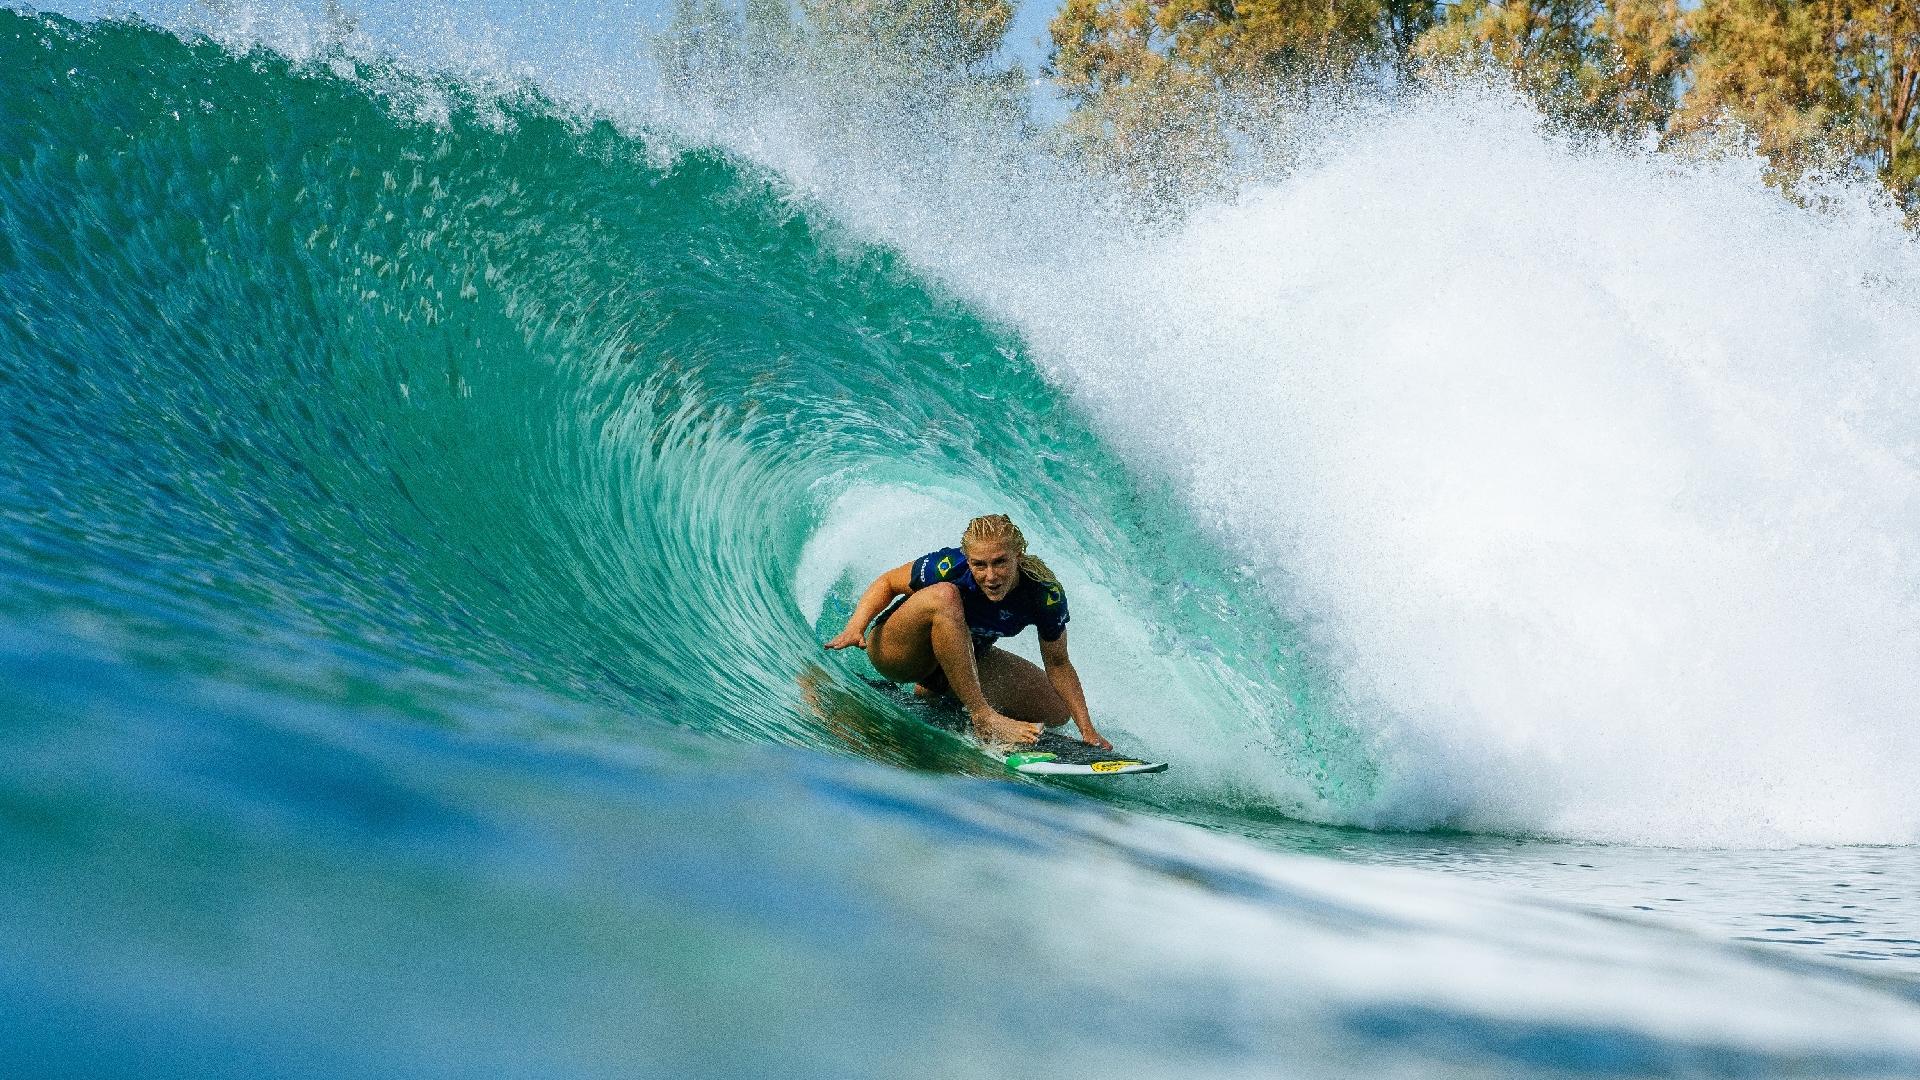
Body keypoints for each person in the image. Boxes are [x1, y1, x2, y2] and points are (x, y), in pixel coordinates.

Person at [823, 514, 1111, 750]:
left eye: (1000, 562)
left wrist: (1087, 730)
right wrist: (855, 627)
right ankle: (982, 715)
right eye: (979, 564)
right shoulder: (950, 565)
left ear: (1018, 556)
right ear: (968, 558)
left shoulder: (1043, 592)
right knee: (945, 596)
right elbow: (887, 582)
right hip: (898, 652)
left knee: (1056, 710)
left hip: (955, 662)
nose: (990, 576)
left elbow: (1058, 662)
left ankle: (936, 696)